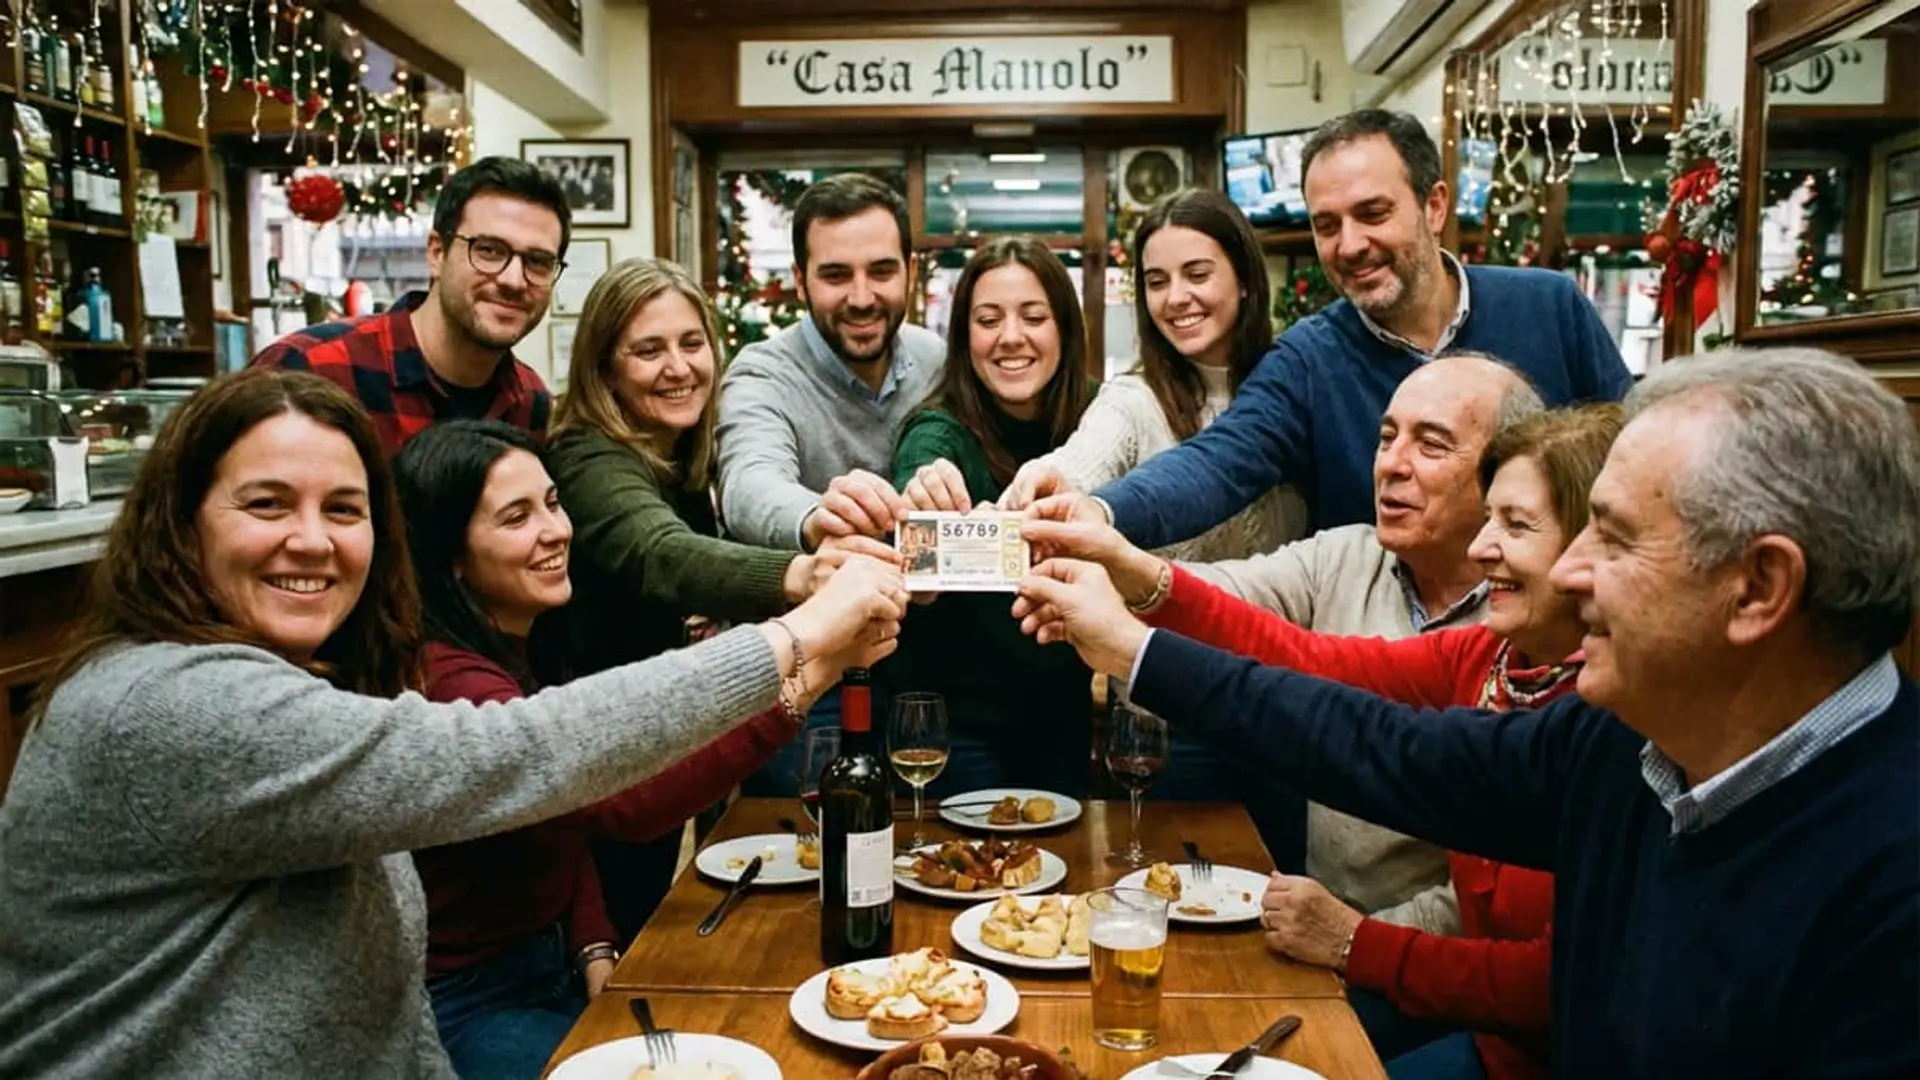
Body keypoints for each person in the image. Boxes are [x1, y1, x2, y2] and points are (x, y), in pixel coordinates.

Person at [1014, 347, 1920, 1077]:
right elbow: (1368, 739)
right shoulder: (1631, 745)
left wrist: (1359, 945)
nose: (1571, 573)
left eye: (1613, 537)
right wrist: (1131, 644)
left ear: (1758, 588)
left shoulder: (1890, 886)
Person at [0, 369, 907, 1079]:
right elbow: (528, 754)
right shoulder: (169, 701)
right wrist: (794, 634)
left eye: (343, 510)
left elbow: (394, 1010)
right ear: (179, 523)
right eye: (267, 504)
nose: (312, 539)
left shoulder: (315, 682)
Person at [1024, 404, 1624, 1080]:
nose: (1484, 548)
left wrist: (1355, 942)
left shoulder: (1617, 723)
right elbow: (1301, 664)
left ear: (1596, 553)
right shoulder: (1488, 657)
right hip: (1486, 1038)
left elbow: (1547, 984)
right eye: (1490, 519)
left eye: (1515, 526)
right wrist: (1130, 572)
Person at [1036, 353, 1542, 932]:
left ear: (1502, 476)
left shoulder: (1521, 636)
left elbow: (1497, 909)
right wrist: (1114, 561)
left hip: (1416, 962)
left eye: (1430, 445)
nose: (1391, 466)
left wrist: (1353, 941)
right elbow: (1242, 613)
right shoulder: (1349, 554)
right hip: (1321, 929)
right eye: (1385, 437)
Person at [393, 420, 812, 1078]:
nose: (556, 531)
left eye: (553, 504)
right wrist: (798, 682)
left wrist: (591, 941)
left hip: (551, 964)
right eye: (516, 517)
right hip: (469, 1003)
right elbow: (622, 801)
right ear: (451, 555)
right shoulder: (454, 682)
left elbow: (564, 816)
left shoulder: (522, 644)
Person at [1006, 108, 1631, 546]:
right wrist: (1097, 505)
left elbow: (1625, 446)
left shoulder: (1548, 306)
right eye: (1327, 224)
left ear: (1434, 205)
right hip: (1387, 676)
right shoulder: (1309, 357)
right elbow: (1217, 464)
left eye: (1373, 213)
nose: (1350, 244)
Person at [544, 257, 889, 940]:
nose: (678, 367)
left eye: (691, 343)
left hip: (653, 745)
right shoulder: (587, 456)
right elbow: (661, 555)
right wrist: (808, 576)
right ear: (604, 366)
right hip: (596, 755)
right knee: (609, 943)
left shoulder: (675, 457)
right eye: (648, 350)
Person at [885, 237, 1097, 794]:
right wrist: (923, 504)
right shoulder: (937, 428)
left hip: (1065, 719)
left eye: (1034, 316)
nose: (1010, 337)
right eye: (988, 319)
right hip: (954, 732)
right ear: (964, 336)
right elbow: (919, 476)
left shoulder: (1100, 420)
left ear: (1065, 330)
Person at [252, 157, 570, 454]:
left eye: (538, 261)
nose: (513, 280)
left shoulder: (531, 403)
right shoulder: (311, 369)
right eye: (489, 250)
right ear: (436, 253)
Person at [715, 173, 945, 552]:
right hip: (818, 604)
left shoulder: (934, 358)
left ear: (911, 273)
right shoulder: (763, 373)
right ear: (801, 281)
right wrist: (816, 518)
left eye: (881, 271)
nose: (861, 298)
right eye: (836, 275)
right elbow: (748, 485)